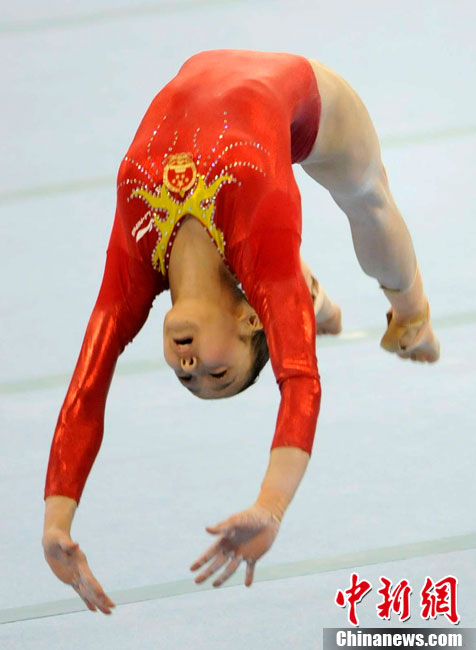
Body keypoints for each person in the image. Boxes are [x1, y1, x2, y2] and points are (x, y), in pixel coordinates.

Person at [42, 50, 439, 615]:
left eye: (187, 379)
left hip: (229, 115)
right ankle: (413, 319)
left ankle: (312, 300)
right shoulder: (259, 223)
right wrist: (271, 505)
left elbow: (85, 391)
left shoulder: (134, 267)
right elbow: (300, 379)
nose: (190, 367)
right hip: (304, 101)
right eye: (217, 372)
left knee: (283, 264)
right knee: (366, 196)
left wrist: (55, 524)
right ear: (250, 320)